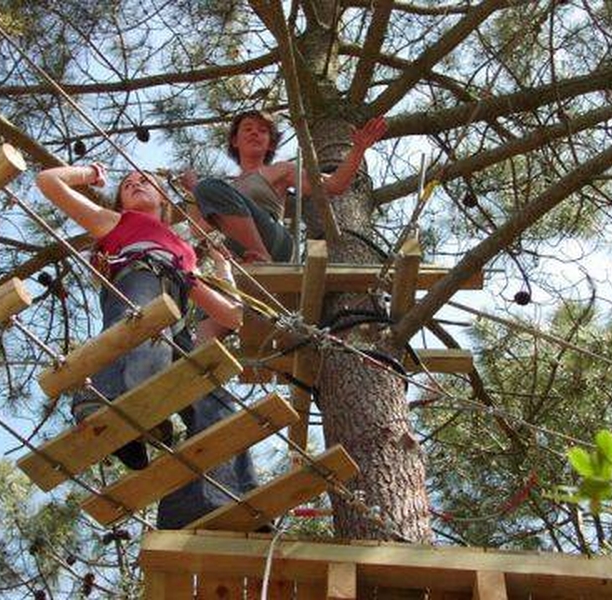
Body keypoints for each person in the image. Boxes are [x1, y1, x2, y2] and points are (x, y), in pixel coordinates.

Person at [35, 164, 245, 471]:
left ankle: (223, 485)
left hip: (172, 312)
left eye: (145, 181)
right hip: (137, 282)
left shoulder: (184, 252)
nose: (135, 184)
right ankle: (109, 402)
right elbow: (47, 180)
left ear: (162, 197)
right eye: (127, 185)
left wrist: (224, 269)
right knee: (142, 322)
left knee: (206, 389)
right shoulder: (116, 221)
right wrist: (91, 173)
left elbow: (231, 316)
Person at [182, 110, 388, 262]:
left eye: (262, 131)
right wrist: (192, 192)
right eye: (248, 129)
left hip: (273, 242)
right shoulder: (226, 192)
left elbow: (335, 185)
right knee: (208, 318)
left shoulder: (280, 170)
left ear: (270, 143)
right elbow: (198, 230)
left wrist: (358, 149)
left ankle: (261, 255)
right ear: (235, 140)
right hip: (239, 252)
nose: (255, 133)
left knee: (209, 187)